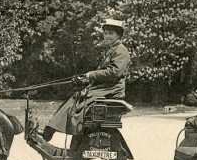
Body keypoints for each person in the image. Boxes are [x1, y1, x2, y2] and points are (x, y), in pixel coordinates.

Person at [30, 19, 131, 152]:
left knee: (76, 102)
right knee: (75, 98)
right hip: (105, 88)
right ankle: (58, 137)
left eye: (111, 33)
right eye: (105, 33)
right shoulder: (113, 50)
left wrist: (90, 75)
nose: (107, 36)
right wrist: (84, 80)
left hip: (111, 90)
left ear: (119, 35)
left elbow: (114, 72)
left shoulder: (121, 51)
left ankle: (49, 133)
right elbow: (105, 75)